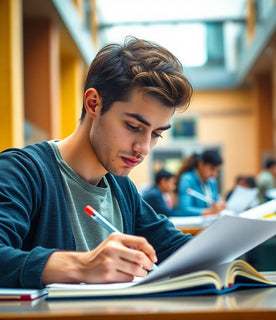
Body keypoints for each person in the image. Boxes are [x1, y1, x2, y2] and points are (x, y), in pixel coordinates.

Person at [0, 37, 194, 288]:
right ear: (93, 103)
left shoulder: (122, 190)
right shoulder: (22, 172)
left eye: (156, 134)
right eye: (133, 126)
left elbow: (179, 249)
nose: (144, 148)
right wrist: (82, 265)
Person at [176, 149, 225, 216]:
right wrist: (210, 211)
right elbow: (185, 209)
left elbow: (215, 202)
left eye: (217, 171)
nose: (214, 174)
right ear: (201, 164)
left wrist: (220, 206)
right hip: (193, 224)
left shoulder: (211, 181)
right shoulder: (187, 179)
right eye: (212, 169)